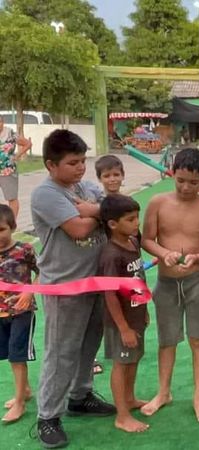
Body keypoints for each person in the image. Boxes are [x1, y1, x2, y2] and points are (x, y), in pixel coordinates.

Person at [32, 130, 114, 448]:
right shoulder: (45, 194)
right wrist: (98, 213)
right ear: (51, 165)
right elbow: (78, 227)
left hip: (96, 280)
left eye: (82, 161)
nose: (80, 168)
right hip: (65, 287)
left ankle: (80, 396)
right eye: (72, 163)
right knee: (61, 352)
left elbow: (112, 204)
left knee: (88, 345)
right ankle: (48, 416)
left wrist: (94, 209)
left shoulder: (84, 187)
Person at [141, 147, 199, 422]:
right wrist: (163, 253)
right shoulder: (157, 203)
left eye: (194, 182)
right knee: (167, 340)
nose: (186, 187)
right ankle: (163, 392)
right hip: (166, 282)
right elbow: (147, 239)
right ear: (172, 173)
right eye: (181, 180)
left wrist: (196, 257)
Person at [98, 194, 149, 433]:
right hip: (121, 322)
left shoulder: (133, 243)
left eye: (137, 217)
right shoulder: (111, 254)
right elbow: (109, 295)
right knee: (121, 363)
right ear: (112, 224)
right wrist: (124, 327)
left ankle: (129, 399)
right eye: (130, 219)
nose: (136, 223)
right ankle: (122, 415)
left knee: (134, 359)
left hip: (136, 315)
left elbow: (138, 279)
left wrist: (144, 309)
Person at [0, 205, 38, 424]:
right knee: (8, 354)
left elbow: (44, 272)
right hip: (1, 315)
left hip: (22, 313)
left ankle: (19, 403)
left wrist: (29, 291)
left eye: (1, 229)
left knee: (17, 356)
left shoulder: (24, 250)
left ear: (12, 227)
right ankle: (24, 390)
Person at [92, 153, 128, 377]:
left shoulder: (126, 202)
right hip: (104, 261)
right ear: (100, 178)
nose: (112, 179)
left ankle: (124, 342)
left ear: (123, 176)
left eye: (116, 174)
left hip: (124, 263)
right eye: (107, 176)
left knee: (124, 306)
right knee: (101, 311)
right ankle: (93, 355)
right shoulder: (98, 206)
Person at [0, 116, 32, 218]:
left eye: (0, 122)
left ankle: (11, 225)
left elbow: (27, 144)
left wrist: (17, 155)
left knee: (12, 198)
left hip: (8, 171)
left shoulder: (11, 134)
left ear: (3, 122)